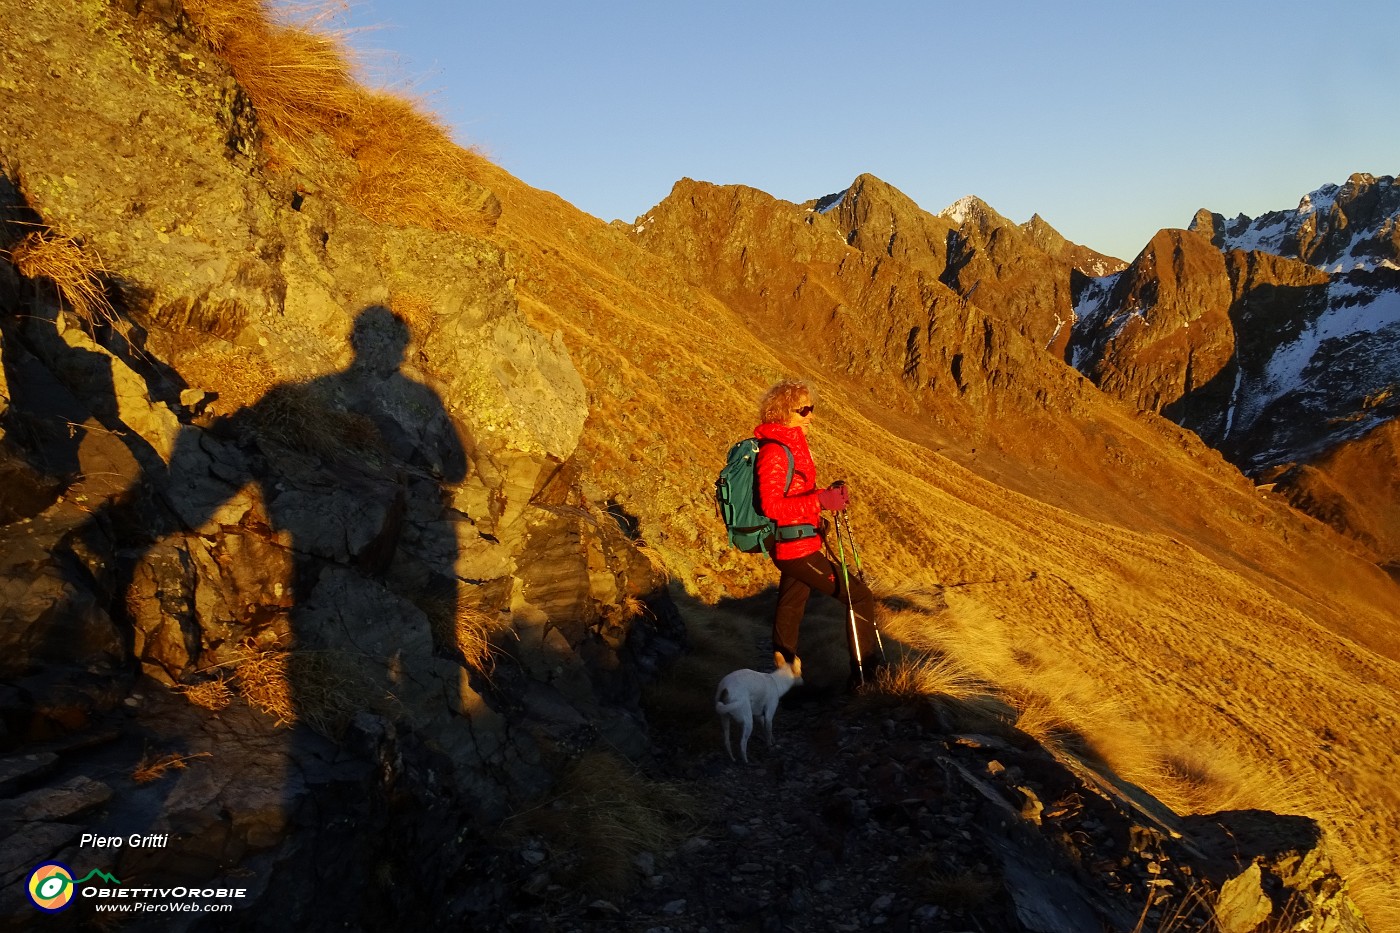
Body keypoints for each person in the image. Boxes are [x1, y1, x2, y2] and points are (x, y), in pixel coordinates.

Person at [753, 380, 881, 690]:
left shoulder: (792, 445)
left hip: (802, 541)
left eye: (812, 408)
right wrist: (821, 500)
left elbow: (797, 492)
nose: (811, 415)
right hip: (796, 549)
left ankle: (785, 676)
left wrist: (820, 505)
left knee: (792, 605)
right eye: (804, 410)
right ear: (784, 412)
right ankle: (866, 678)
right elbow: (771, 505)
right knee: (859, 596)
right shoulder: (775, 452)